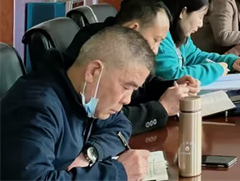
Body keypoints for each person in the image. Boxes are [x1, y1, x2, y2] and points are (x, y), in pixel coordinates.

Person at [0, 26, 153, 180]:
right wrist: (117, 173)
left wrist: (90, 154)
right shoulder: (36, 108)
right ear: (93, 72)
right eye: (126, 87)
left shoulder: (85, 95)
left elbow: (121, 125)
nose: (127, 100)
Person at [64, 0, 200, 135]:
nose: (155, 50)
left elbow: (145, 86)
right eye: (155, 40)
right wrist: (162, 109)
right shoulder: (99, 47)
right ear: (133, 29)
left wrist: (173, 86)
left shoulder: (129, 50)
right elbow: (102, 120)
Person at [156, 0, 240, 86]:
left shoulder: (180, 34)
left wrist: (231, 61)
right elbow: (173, 77)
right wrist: (216, 69)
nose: (201, 24)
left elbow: (195, 57)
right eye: (200, 16)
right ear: (183, 12)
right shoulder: (159, 36)